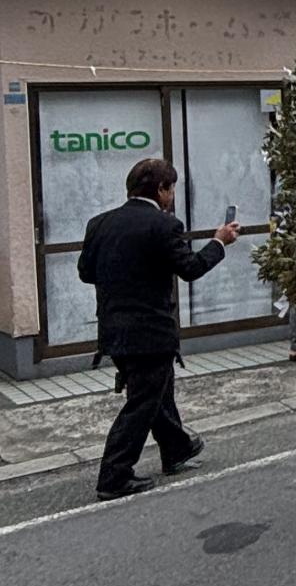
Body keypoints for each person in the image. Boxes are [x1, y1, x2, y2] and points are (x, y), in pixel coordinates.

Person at [78, 158, 240, 500]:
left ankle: (176, 447)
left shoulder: (99, 223)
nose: (172, 195)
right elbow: (191, 268)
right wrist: (219, 242)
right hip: (150, 330)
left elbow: (86, 272)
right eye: (172, 188)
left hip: (113, 329)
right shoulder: (164, 225)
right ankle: (114, 475)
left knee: (158, 392)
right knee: (142, 402)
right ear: (162, 189)